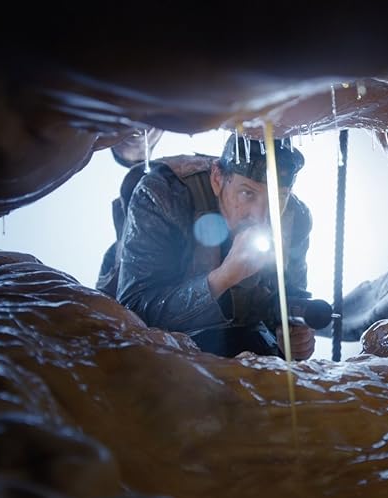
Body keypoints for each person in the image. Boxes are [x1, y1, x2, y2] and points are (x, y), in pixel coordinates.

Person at [97, 133, 316, 360]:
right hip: (154, 340)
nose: (261, 216)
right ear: (217, 178)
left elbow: (290, 295)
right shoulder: (164, 194)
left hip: (243, 335)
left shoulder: (295, 218)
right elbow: (133, 313)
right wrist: (222, 278)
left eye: (278, 198)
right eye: (247, 193)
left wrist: (293, 333)